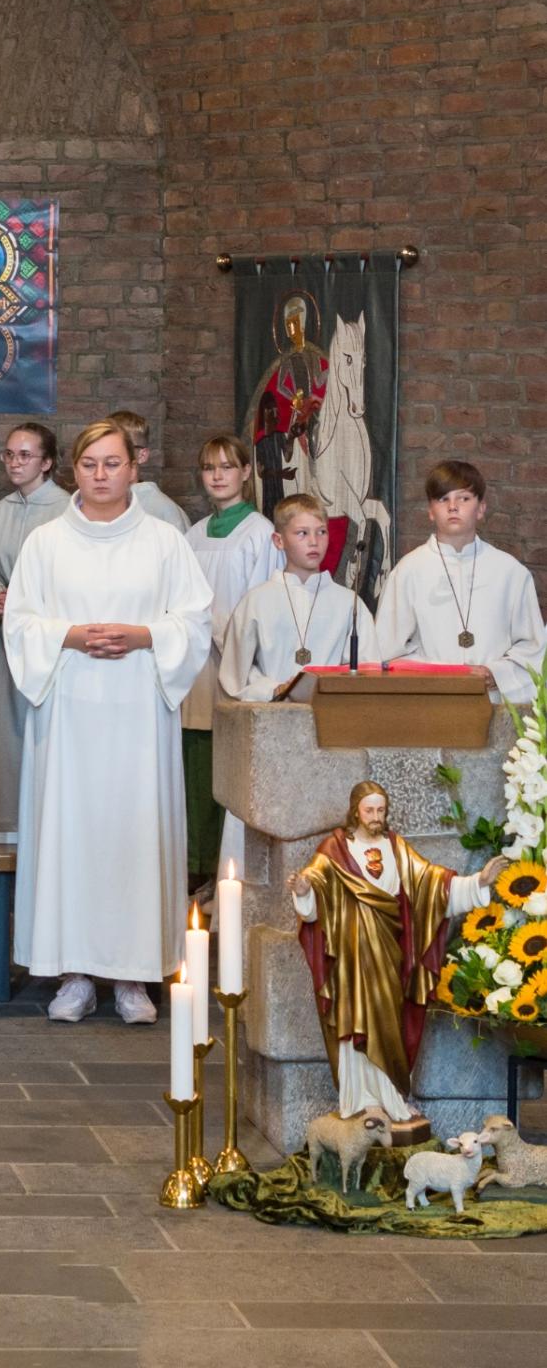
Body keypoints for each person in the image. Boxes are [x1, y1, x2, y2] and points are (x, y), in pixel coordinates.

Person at [5, 420, 213, 1025]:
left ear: (134, 469)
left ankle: (131, 975)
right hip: (68, 712)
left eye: (112, 463)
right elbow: (19, 623)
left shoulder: (163, 541)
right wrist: (69, 633)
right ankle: (73, 974)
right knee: (71, 835)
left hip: (137, 714)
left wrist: (143, 634)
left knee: (132, 835)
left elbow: (196, 621)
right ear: (74, 469)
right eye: (90, 463)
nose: (101, 475)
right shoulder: (46, 543)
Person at [288, 780, 507, 1126]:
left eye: (380, 810)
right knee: (354, 1021)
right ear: (355, 811)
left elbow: (433, 883)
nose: (375, 817)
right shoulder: (335, 849)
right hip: (352, 960)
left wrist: (478, 881)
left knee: (389, 1022)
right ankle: (358, 1100)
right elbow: (314, 888)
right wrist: (303, 892)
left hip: (391, 957)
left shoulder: (397, 848)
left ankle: (390, 1097)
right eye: (369, 810)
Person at [181, 436, 282, 883]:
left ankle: (224, 873)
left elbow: (265, 603)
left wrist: (226, 631)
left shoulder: (260, 533)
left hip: (235, 663)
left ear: (245, 473)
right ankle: (193, 867)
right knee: (193, 763)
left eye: (227, 467)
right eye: (209, 468)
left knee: (228, 764)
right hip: (193, 666)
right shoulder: (192, 534)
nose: (218, 476)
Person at [376, 460, 546, 702]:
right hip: (430, 703)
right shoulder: (408, 572)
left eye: (464, 498)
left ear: (481, 508)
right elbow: (386, 652)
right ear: (430, 511)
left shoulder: (510, 572)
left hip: (494, 701)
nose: (453, 507)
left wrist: (495, 674)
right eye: (443, 499)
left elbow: (533, 649)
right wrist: (440, 675)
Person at [0, 423, 64, 839]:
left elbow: (71, 580)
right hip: (5, 639)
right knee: (5, 740)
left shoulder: (68, 510)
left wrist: (24, 602)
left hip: (46, 642)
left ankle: (45, 829)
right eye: (9, 454)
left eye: (25, 455)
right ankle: (5, 832)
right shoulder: (1, 510)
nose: (15, 462)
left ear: (46, 462)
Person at [220, 494, 383, 700]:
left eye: (321, 532)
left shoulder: (349, 603)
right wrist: (274, 688)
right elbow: (236, 673)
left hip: (331, 713)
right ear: (279, 541)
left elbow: (367, 669)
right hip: (271, 713)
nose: (314, 542)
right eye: (302, 533)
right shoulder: (256, 602)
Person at [107, 410, 189, 530]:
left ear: (142, 455)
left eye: (124, 447)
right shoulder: (95, 503)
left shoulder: (165, 511)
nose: (111, 455)